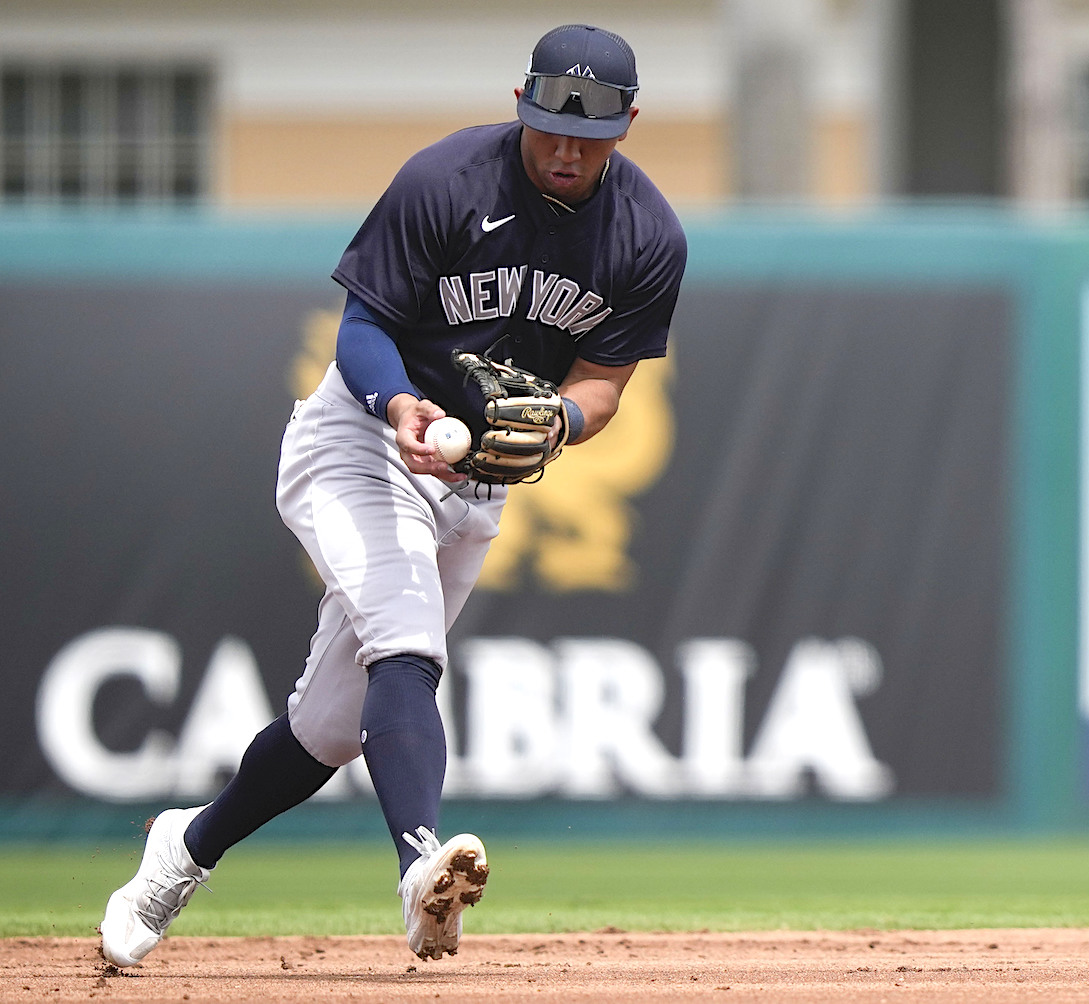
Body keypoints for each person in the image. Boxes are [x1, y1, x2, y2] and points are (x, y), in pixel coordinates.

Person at [100, 22, 687, 966]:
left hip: (477, 481)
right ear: (522, 105)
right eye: (550, 127)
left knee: (330, 728)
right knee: (407, 640)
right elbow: (363, 325)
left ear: (626, 125)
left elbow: (605, 382)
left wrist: (566, 423)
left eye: (590, 135)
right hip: (360, 437)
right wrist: (401, 402)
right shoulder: (446, 181)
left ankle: (185, 847)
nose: (567, 150)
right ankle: (422, 871)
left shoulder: (647, 235)